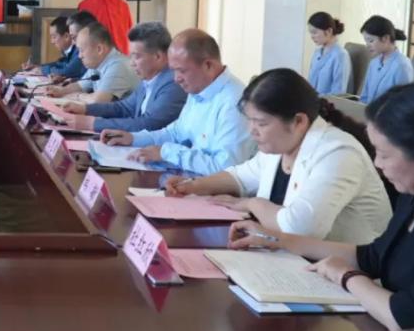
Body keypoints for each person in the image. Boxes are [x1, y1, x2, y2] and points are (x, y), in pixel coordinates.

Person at [228, 85, 414, 331]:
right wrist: (282, 241)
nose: (377, 164)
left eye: (384, 154)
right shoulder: (412, 196)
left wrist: (346, 276)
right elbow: (373, 256)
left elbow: (403, 318)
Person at [165, 69, 390, 244]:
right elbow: (241, 176)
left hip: (347, 275)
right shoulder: (282, 145)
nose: (252, 131)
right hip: (291, 259)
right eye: (250, 121)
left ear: (299, 121)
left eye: (261, 123)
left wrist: (252, 204)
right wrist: (193, 186)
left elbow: (300, 228)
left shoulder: (338, 153)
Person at [101, 29, 255, 176]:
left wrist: (166, 152)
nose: (176, 79)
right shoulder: (199, 88)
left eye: (181, 71)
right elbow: (176, 133)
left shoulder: (235, 102)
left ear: (208, 65)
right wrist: (133, 138)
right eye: (173, 70)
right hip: (191, 181)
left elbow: (226, 169)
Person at [59, 22, 186, 133]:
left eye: (136, 56)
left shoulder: (173, 83)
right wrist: (85, 109)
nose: (132, 63)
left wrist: (91, 124)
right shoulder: (149, 77)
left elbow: (148, 124)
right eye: (131, 56)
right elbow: (124, 108)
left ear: (158, 57)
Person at [45, 22, 137, 103]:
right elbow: (80, 86)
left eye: (81, 50)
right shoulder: (98, 62)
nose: (79, 56)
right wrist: (61, 91)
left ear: (99, 49)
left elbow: (98, 100)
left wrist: (78, 96)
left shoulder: (118, 66)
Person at [358, 15, 414, 104]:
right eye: (366, 41)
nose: (367, 45)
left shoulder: (402, 66)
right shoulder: (374, 63)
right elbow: (364, 97)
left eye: (371, 41)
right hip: (367, 111)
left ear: (386, 38)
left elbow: (404, 105)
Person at [20, 15, 85, 79]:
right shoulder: (68, 52)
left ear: (66, 36)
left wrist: (42, 70)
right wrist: (37, 67)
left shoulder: (79, 51)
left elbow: (66, 72)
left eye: (54, 37)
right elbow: (59, 64)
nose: (52, 42)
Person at [307, 12, 351, 96]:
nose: (312, 36)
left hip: (326, 102)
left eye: (314, 32)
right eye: (310, 33)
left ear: (329, 31)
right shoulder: (317, 53)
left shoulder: (341, 55)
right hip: (312, 100)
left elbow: (338, 92)